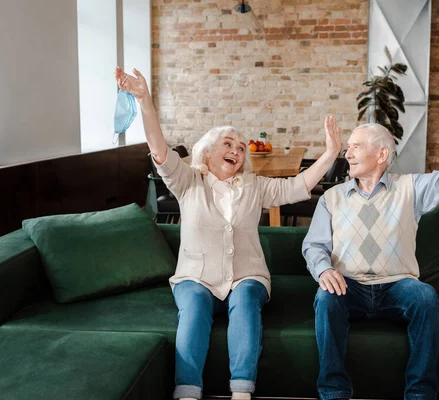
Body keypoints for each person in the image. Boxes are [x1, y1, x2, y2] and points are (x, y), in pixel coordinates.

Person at [114, 66, 342, 400]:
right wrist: (145, 101)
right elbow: (160, 151)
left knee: (247, 298)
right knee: (193, 305)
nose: (236, 149)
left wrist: (331, 153)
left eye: (240, 147)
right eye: (228, 143)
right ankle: (187, 391)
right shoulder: (188, 181)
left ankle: (242, 391)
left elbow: (299, 186)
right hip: (196, 276)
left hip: (246, 275)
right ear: (207, 152)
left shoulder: (254, 186)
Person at [302, 83, 439, 400]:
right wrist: (323, 271)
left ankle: (420, 393)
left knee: (425, 296)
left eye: (357, 146)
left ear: (382, 154)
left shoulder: (411, 189)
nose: (348, 152)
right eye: (349, 146)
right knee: (325, 297)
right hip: (350, 286)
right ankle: (333, 391)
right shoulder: (332, 197)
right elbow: (314, 246)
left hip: (398, 285)